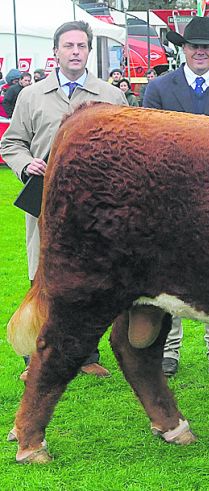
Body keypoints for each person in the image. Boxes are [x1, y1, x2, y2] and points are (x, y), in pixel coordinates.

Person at [0, 21, 127, 381]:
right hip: (44, 201)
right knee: (42, 276)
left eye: (81, 46)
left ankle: (86, 355)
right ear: (56, 51)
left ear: (89, 51)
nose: (75, 51)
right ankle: (36, 359)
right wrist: (26, 164)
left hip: (93, 206)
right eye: (68, 45)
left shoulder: (109, 96)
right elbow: (11, 143)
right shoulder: (31, 95)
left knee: (88, 280)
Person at [143, 15, 209, 377]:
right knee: (169, 275)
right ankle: (169, 349)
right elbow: (150, 147)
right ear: (183, 49)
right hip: (170, 198)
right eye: (194, 46)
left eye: (207, 46)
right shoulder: (157, 89)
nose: (200, 52)